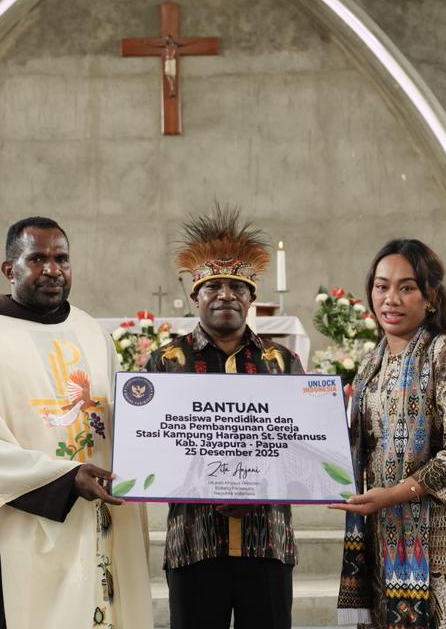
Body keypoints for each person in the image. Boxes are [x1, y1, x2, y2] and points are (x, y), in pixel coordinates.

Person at [0, 217, 152, 629]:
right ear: (9, 269)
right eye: (37, 259)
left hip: (94, 521)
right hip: (19, 525)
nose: (52, 270)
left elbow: (120, 424)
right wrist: (66, 479)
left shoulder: (92, 332)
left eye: (61, 259)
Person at [143, 206, 302, 629]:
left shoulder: (282, 362)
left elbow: (301, 444)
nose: (225, 294)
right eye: (213, 285)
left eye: (237, 286)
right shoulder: (166, 362)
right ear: (196, 296)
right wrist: (205, 481)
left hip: (267, 540)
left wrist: (256, 486)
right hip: (194, 541)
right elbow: (151, 446)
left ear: (252, 297)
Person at [330, 239, 446, 629]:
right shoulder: (372, 362)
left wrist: (394, 494)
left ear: (431, 297)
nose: (391, 298)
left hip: (442, 537)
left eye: (406, 288)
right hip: (386, 534)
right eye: (382, 286)